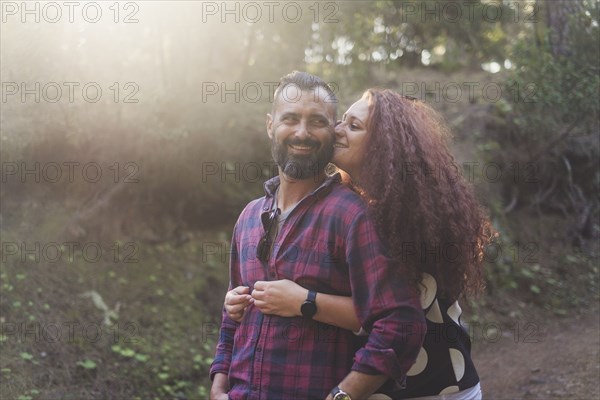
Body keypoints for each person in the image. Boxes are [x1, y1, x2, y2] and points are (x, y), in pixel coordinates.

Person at [225, 89, 494, 399]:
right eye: (341, 121)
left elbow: (395, 316)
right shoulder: (362, 204)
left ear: (383, 146)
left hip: (435, 386)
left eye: (353, 126)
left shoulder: (405, 216)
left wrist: (301, 300)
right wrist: (243, 300)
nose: (337, 129)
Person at [209, 74, 426, 400]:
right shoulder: (248, 217)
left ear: (332, 129)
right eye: (290, 119)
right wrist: (218, 385)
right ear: (271, 125)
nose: (302, 132)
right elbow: (232, 317)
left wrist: (343, 395)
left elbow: (400, 324)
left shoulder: (353, 216)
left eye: (317, 121)